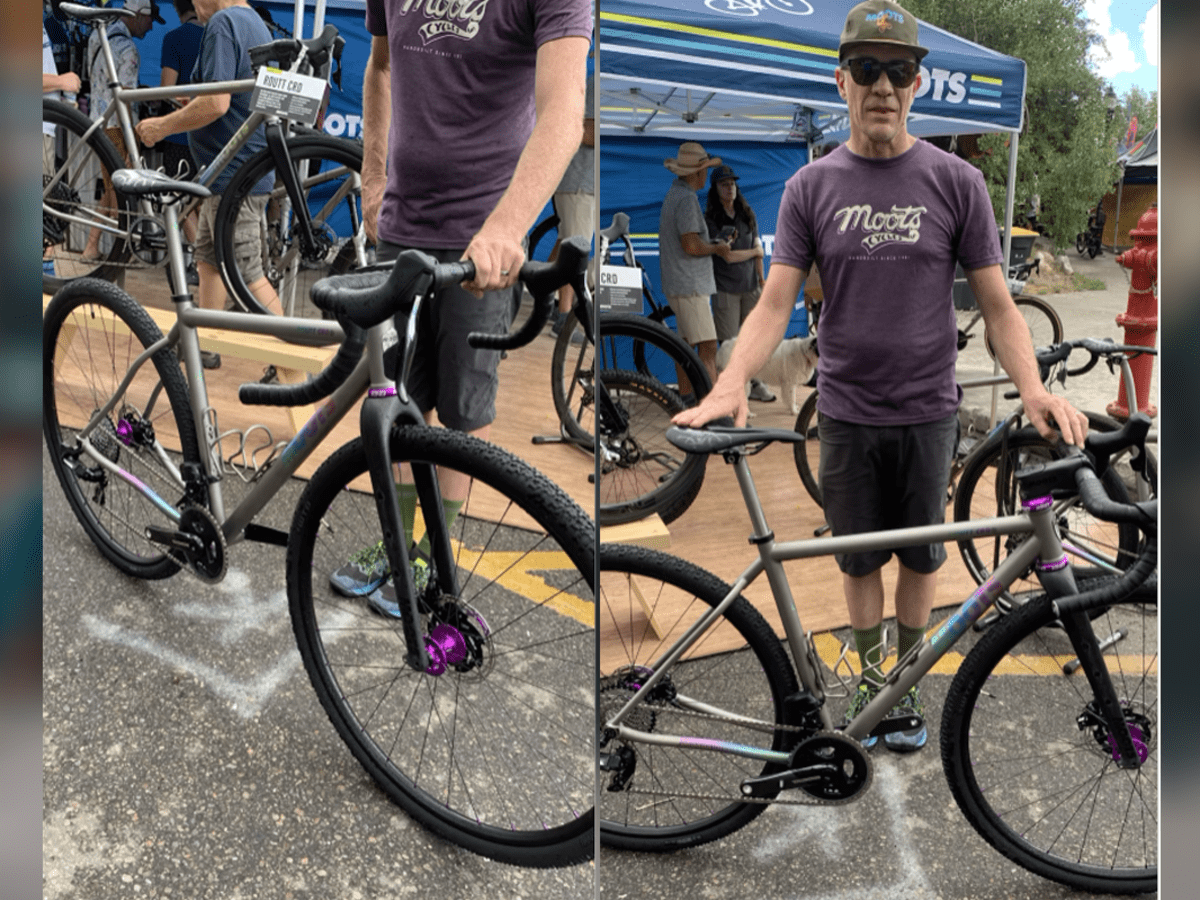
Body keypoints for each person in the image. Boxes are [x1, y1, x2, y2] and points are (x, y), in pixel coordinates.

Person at [675, 0, 1088, 752]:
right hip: (847, 411)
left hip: (929, 411)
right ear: (841, 82)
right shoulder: (810, 188)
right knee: (860, 559)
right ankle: (872, 685)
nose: (883, 87)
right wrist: (731, 381)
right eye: (867, 70)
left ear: (917, 84)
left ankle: (903, 684)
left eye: (899, 72)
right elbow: (774, 302)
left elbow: (999, 307)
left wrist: (1033, 389)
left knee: (922, 559)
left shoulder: (957, 182)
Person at [328, 0, 592, 613]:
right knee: (394, 398)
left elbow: (564, 109)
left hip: (482, 246)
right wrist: (373, 173)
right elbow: (380, 66)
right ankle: (397, 544)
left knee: (464, 410)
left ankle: (434, 551)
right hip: (402, 229)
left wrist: (506, 225)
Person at [137, 0, 284, 366]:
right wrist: (194, 101)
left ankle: (291, 362)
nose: (193, 7)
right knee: (208, 259)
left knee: (247, 271)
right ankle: (205, 347)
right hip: (232, 173)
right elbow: (231, 96)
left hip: (234, 173)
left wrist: (162, 126)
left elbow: (217, 104)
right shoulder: (253, 21)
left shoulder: (223, 23)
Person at [82, 0, 162, 261]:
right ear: (138, 15)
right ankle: (120, 251)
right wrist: (130, 142)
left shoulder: (98, 36)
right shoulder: (128, 49)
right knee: (120, 191)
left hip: (96, 121)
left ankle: (92, 246)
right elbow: (124, 98)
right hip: (118, 126)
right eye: (150, 20)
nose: (151, 28)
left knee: (110, 189)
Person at [658, 142, 737, 388]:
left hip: (680, 283)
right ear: (698, 172)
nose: (706, 175)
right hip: (690, 285)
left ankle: (686, 399)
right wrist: (717, 248)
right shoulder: (686, 199)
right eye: (704, 170)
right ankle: (709, 405)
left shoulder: (675, 195)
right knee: (708, 346)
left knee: (685, 346)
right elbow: (691, 245)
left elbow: (689, 242)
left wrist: (711, 244)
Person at [704, 164, 771, 401]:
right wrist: (755, 253)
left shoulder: (747, 214)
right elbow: (728, 256)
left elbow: (758, 248)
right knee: (729, 344)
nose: (730, 188)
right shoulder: (710, 220)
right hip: (726, 290)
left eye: (732, 183)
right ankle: (730, 391)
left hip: (751, 287)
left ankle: (755, 383)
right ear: (715, 188)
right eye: (724, 184)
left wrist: (762, 280)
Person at [157, 0, 204, 284]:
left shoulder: (174, 38)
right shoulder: (214, 37)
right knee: (200, 202)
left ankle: (200, 261)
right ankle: (204, 262)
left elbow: (167, 89)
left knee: (179, 202)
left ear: (177, 9)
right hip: (209, 134)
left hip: (178, 133)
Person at [550, 71, 595, 337]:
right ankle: (563, 317)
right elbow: (586, 133)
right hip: (578, 184)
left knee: (565, 243)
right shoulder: (596, 83)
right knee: (575, 250)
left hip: (578, 184)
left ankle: (547, 300)